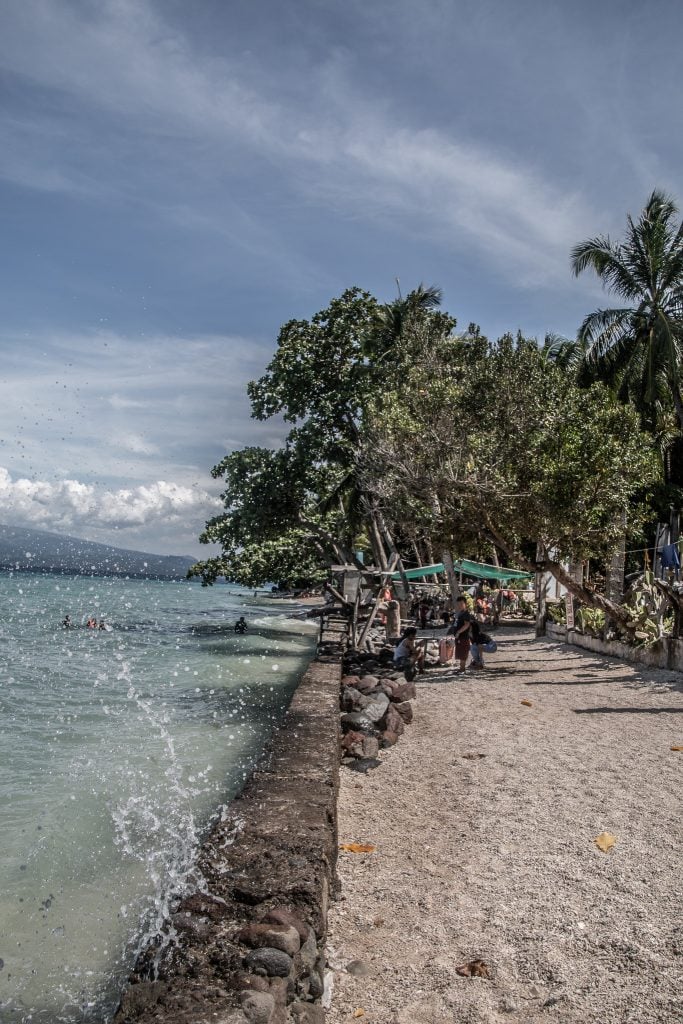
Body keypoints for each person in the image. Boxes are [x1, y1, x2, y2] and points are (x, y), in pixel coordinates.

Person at [448, 596, 474, 674]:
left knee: (463, 653)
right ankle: (461, 668)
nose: (460, 605)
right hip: (459, 637)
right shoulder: (460, 613)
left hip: (463, 637)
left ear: (465, 604)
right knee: (460, 652)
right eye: (458, 603)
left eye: (461, 603)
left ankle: (462, 669)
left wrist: (459, 632)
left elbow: (467, 625)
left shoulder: (466, 613)